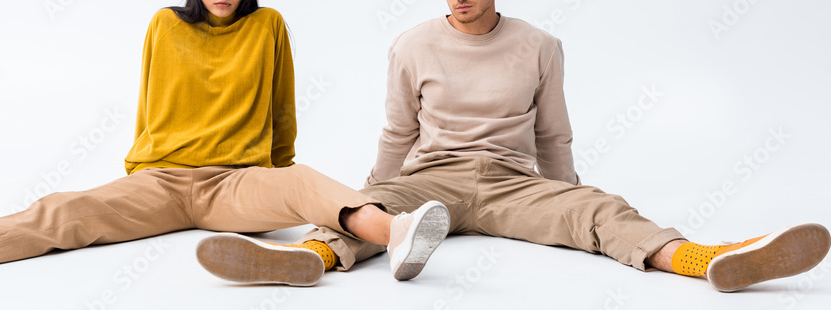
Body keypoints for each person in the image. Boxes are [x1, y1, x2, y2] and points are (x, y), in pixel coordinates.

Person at [196, 0, 831, 292]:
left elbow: (552, 133)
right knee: (361, 212)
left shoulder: (540, 46)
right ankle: (306, 262)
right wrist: (373, 195)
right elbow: (398, 133)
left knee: (600, 208)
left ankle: (705, 259)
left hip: (509, 182)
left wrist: (572, 194)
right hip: (428, 178)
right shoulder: (411, 46)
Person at [0, 0, 451, 285]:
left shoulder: (268, 25)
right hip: (161, 179)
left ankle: (398, 236)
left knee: (303, 182)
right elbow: (150, 108)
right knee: (69, 209)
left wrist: (280, 188)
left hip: (236, 181)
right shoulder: (164, 25)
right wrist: (137, 180)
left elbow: (282, 113)